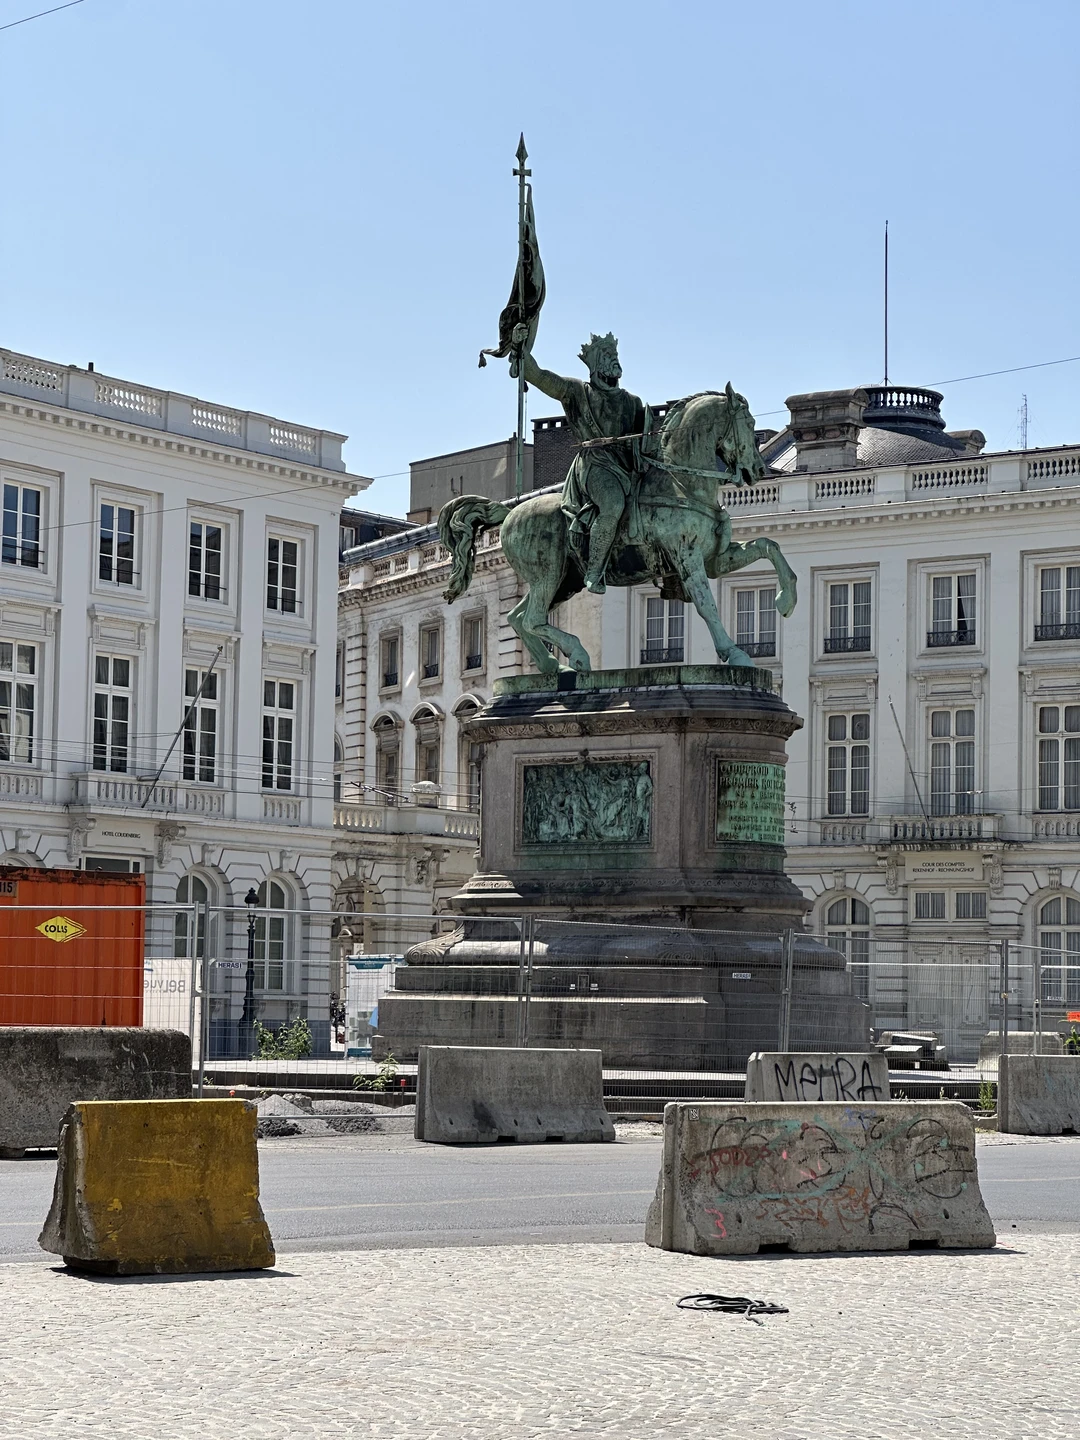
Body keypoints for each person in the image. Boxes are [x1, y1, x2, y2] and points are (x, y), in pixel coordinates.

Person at [517, 329, 649, 594]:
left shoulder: (632, 402)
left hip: (627, 468)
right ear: (596, 362)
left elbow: (644, 444)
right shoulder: (577, 392)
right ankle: (594, 570)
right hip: (594, 466)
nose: (614, 359)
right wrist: (522, 350)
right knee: (612, 505)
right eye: (608, 355)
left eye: (615, 354)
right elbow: (540, 376)